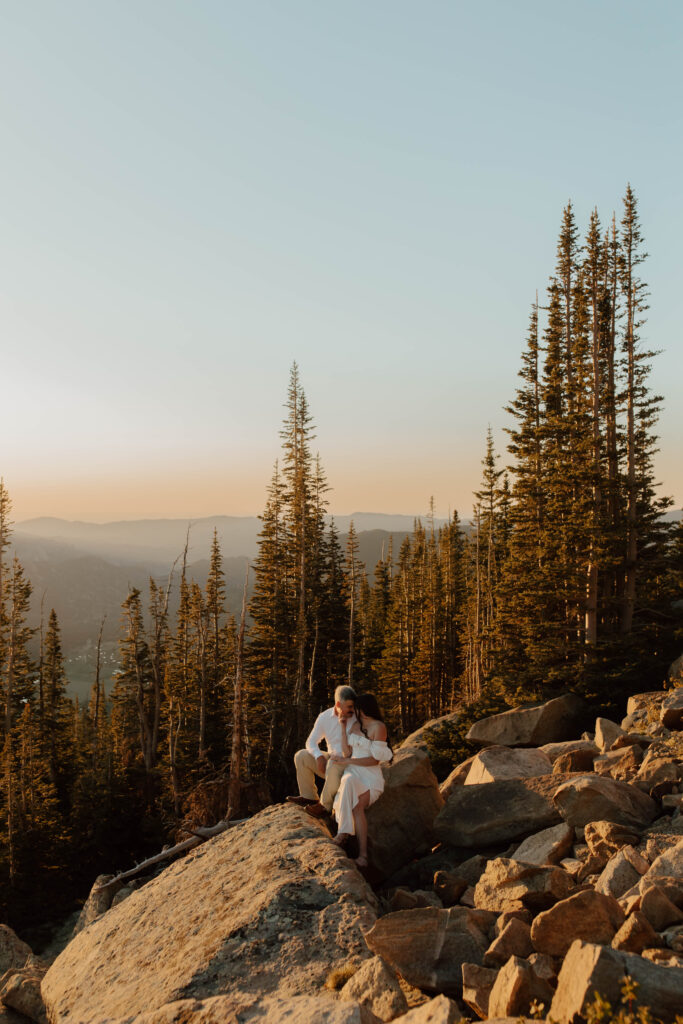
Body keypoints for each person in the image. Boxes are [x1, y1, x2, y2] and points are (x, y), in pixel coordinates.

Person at [330, 693, 392, 867]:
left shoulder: (378, 727)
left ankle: (362, 856)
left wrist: (347, 761)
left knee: (357, 808)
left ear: (362, 709)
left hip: (370, 776)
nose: (353, 712)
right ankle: (343, 833)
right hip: (353, 772)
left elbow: (375, 760)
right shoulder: (356, 725)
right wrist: (342, 728)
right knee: (347, 779)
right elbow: (346, 753)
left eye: (356, 708)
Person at [287, 685, 357, 818]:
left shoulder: (358, 717)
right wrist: (319, 757)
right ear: (338, 704)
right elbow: (311, 742)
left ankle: (325, 807)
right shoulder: (325, 717)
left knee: (333, 762)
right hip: (331, 762)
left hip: (350, 765)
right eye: (349, 706)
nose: (352, 709)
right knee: (301, 755)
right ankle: (310, 798)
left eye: (353, 706)